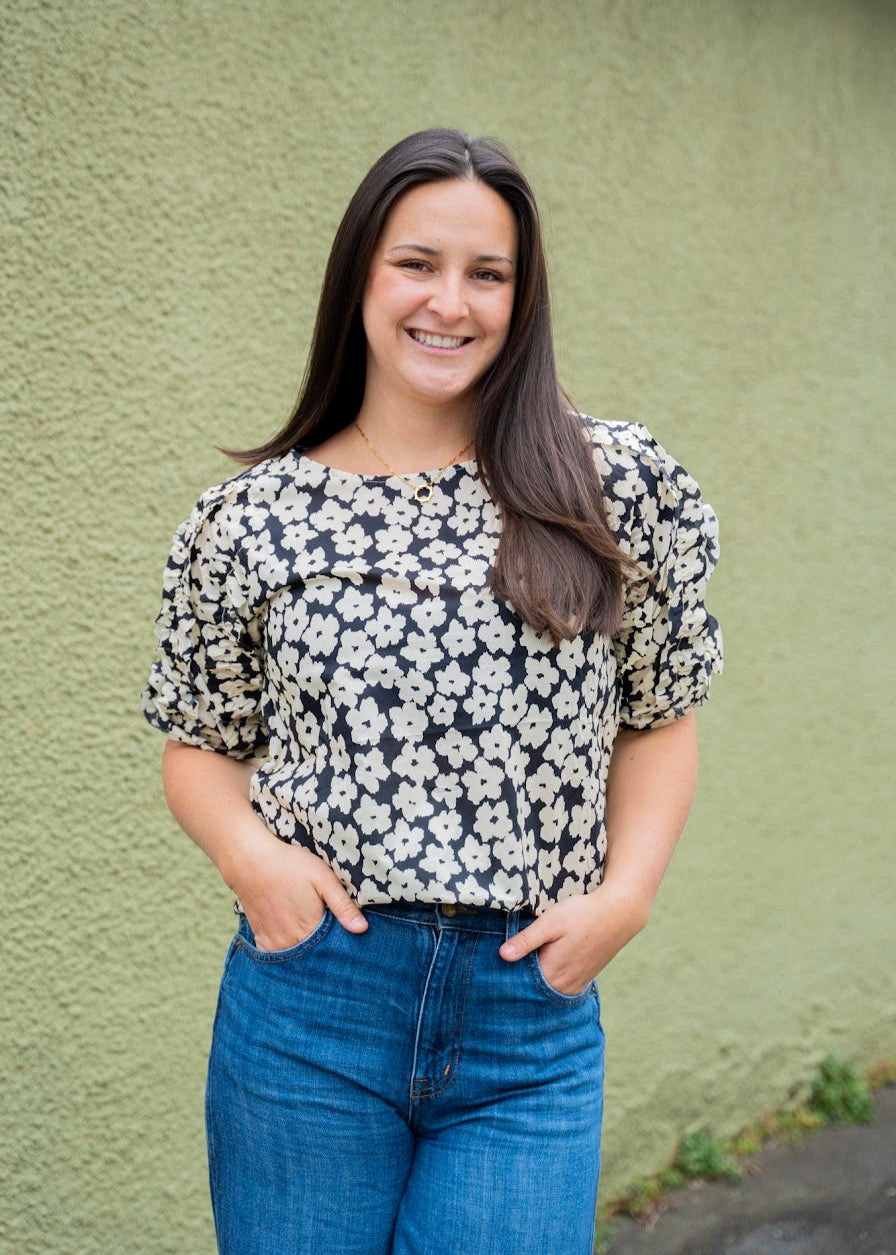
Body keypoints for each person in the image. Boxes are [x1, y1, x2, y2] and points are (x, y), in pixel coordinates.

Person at [142, 127, 722, 1255]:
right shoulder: (250, 519)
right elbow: (199, 742)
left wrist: (627, 895)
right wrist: (254, 862)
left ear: (520, 295)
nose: (448, 303)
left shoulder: (612, 483)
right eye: (416, 263)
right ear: (360, 272)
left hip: (526, 1022)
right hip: (312, 1004)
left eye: (486, 273)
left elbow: (658, 713)